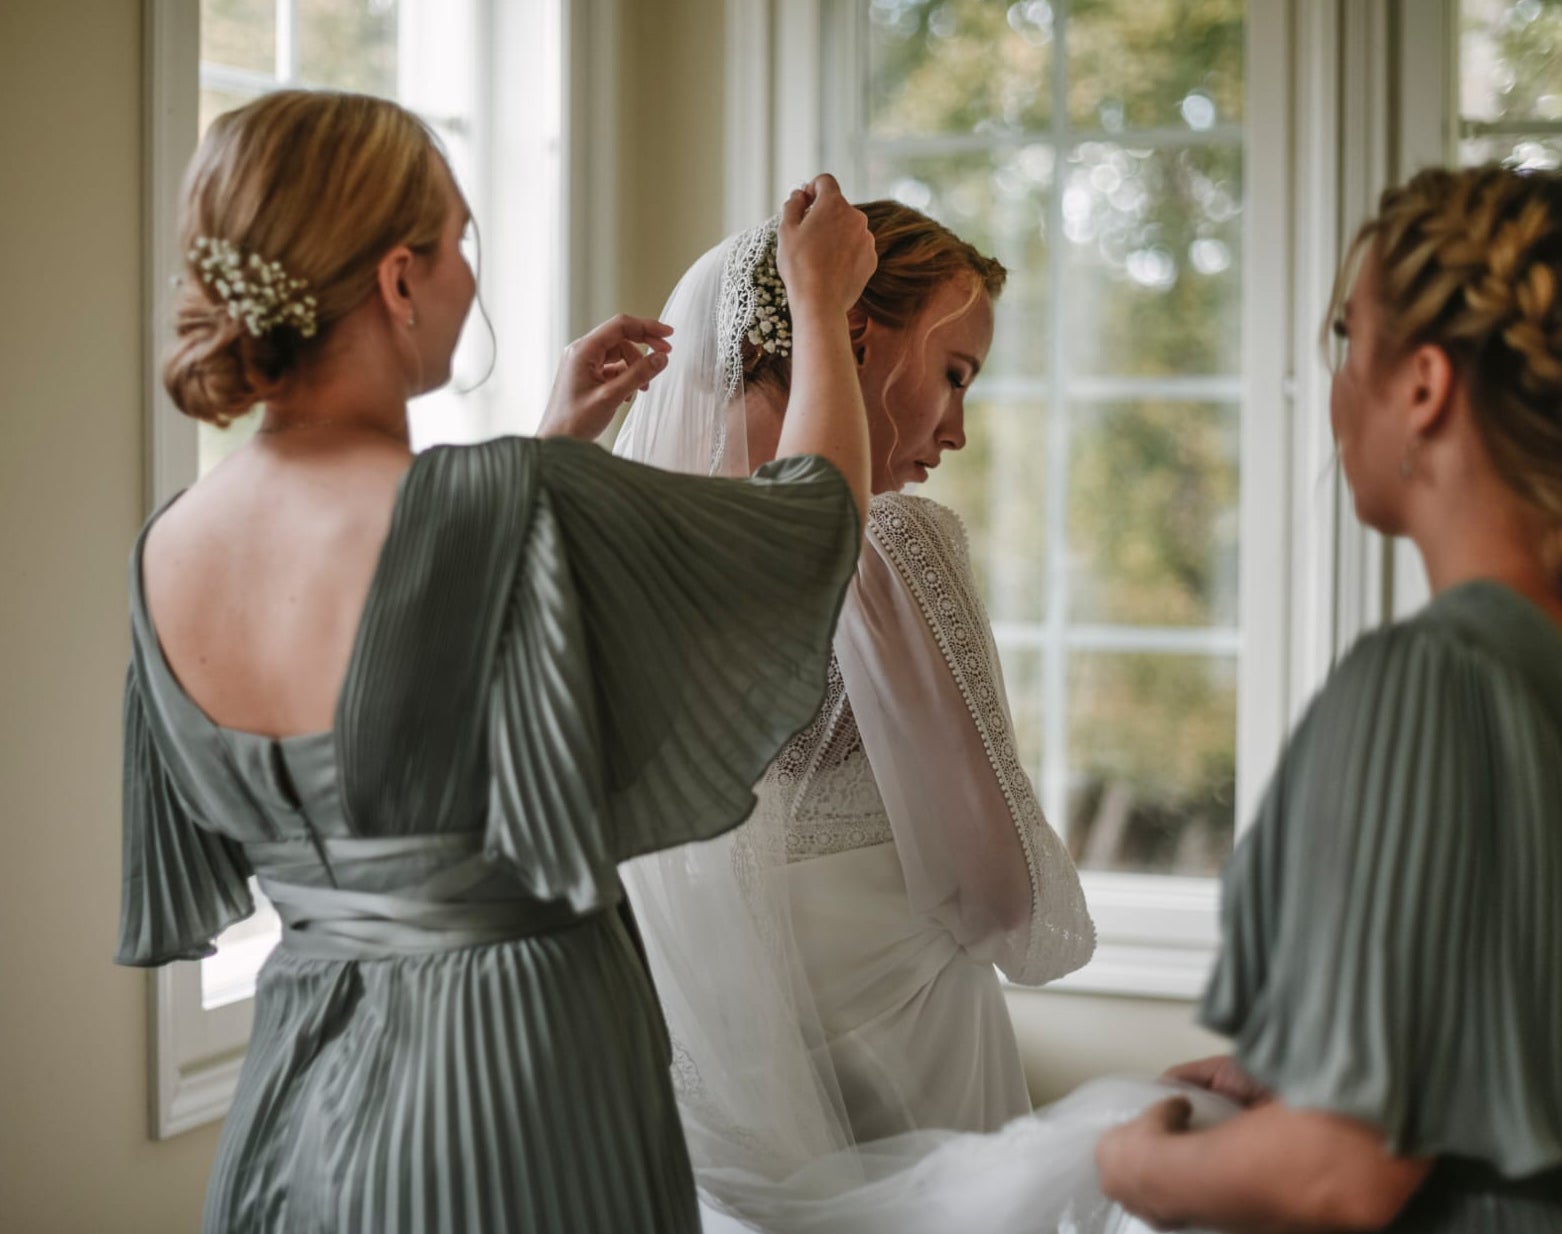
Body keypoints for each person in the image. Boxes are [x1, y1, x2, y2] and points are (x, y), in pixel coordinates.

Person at [114, 88, 878, 1234]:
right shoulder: (506, 500)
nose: (471, 274)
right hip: (513, 1084)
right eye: (461, 240)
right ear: (398, 278)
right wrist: (821, 306)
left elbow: (398, 652)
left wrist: (550, 440)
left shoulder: (168, 545)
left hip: (292, 1097)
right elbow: (812, 528)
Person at [1097, 164, 1562, 1233]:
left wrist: (1133, 1165)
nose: (1336, 385)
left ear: (1423, 384)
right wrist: (1343, 1068)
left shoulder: (1437, 683)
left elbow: (1340, 1178)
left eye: (1344, 338)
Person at [613, 203, 1097, 1227]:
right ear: (855, 334)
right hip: (912, 1085)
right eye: (956, 373)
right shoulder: (894, 549)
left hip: (712, 1113)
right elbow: (1007, 899)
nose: (959, 430)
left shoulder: (625, 543)